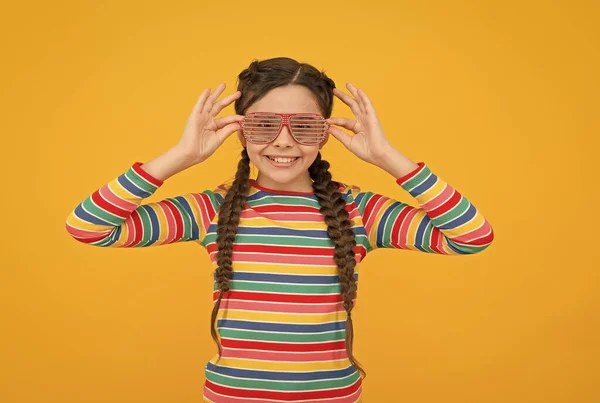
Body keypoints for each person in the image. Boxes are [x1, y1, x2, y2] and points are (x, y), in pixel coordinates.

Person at [65, 57, 495, 403]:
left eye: (305, 126)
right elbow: (87, 226)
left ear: (327, 133)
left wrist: (387, 157)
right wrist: (180, 156)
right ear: (239, 129)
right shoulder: (212, 209)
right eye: (264, 124)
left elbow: (472, 236)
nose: (284, 141)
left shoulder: (359, 210)